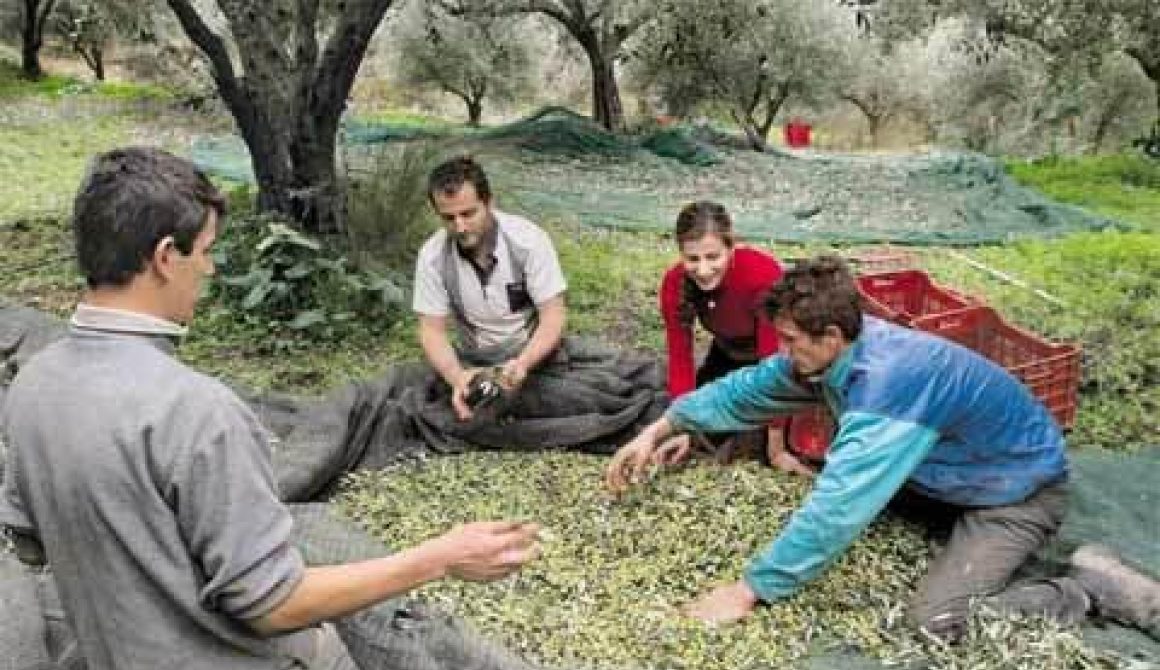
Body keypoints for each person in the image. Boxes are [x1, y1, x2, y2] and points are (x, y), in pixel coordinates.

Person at [0, 147, 540, 670]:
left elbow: (33, 545)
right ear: (166, 257)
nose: (209, 270)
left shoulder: (31, 386)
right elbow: (271, 605)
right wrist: (438, 558)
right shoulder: (197, 412)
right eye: (206, 251)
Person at [606, 255, 1160, 640]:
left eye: (792, 341)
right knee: (833, 485)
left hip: (1014, 494)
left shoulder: (887, 386)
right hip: (946, 474)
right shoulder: (838, 349)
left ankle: (1085, 589)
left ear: (829, 337)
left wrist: (749, 590)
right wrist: (664, 425)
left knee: (937, 624)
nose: (784, 350)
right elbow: (751, 387)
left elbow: (839, 507)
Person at [657, 201, 808, 475]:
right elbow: (680, 360)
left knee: (751, 443)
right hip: (727, 355)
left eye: (713, 257)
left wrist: (777, 449)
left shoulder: (761, 276)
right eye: (692, 259)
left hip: (776, 361)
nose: (703, 270)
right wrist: (681, 426)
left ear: (732, 246)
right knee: (701, 424)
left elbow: (775, 365)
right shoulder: (674, 284)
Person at [413, 156, 567, 421]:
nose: (460, 226)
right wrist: (456, 377)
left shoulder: (528, 241)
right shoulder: (432, 256)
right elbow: (431, 330)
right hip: (475, 359)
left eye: (468, 213)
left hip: (532, 355)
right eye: (448, 218)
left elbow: (553, 316)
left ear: (489, 203)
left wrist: (523, 364)